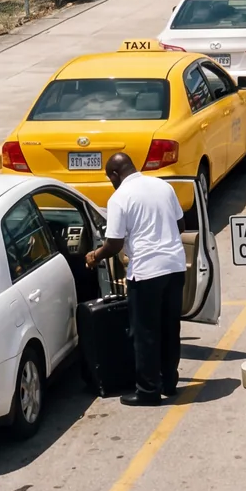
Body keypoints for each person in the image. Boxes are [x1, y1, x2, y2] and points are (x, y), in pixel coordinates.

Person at [85, 152, 187, 406]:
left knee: (145, 333)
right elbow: (181, 226)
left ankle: (147, 391)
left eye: (110, 178)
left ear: (115, 175)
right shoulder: (163, 186)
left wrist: (94, 256)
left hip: (147, 272)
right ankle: (169, 383)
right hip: (175, 267)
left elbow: (114, 243)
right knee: (169, 328)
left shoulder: (119, 197)